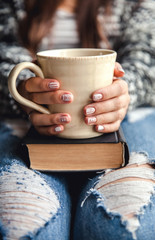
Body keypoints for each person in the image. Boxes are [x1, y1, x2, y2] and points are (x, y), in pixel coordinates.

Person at [0, 0, 155, 239]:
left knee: (123, 220)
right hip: (23, 118)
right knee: (23, 222)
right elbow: (5, 53)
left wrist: (124, 92)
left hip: (127, 115)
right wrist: (25, 92)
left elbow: (147, 56)